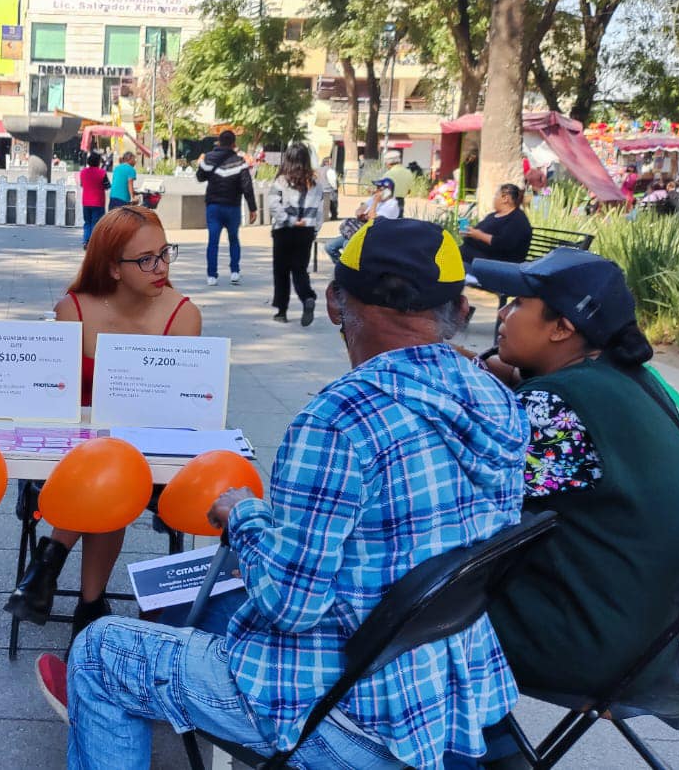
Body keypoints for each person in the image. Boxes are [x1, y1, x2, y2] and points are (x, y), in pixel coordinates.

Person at [52, 218, 525, 769]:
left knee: (101, 650)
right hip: (441, 695)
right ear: (461, 312)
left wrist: (243, 515)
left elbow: (292, 607)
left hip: (346, 715)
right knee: (205, 601)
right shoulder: (494, 397)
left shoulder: (338, 420)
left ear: (332, 302)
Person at [465, 250, 679, 707]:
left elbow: (466, 502)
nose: (501, 313)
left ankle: (481, 749)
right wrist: (506, 370)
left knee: (408, 607)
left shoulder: (556, 406)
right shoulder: (627, 378)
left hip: (585, 640)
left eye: (517, 304)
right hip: (641, 630)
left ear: (562, 328)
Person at [7, 206, 202, 640]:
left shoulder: (182, 315)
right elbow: (53, 395)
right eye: (146, 259)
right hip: (76, 454)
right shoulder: (73, 309)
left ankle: (49, 561)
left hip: (151, 453)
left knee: (117, 469)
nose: (162, 267)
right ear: (112, 267)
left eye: (165, 253)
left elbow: (179, 403)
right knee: (109, 471)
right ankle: (89, 605)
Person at [265, 145, 322, 325]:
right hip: (306, 231)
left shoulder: (281, 181)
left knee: (281, 270)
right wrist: (314, 230)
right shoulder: (315, 184)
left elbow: (273, 204)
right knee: (299, 269)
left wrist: (288, 219)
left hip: (283, 230)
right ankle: (307, 298)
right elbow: (320, 211)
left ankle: (282, 310)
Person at [196, 131, 258, 285]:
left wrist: (203, 164)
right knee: (234, 239)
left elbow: (200, 177)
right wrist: (252, 208)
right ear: (233, 144)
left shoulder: (209, 158)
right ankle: (235, 272)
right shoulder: (239, 162)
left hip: (214, 206)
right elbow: (247, 187)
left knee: (213, 241)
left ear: (218, 142)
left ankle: (211, 275)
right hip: (232, 207)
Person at [324, 177, 399, 264]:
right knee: (329, 246)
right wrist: (362, 213)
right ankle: (343, 268)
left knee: (347, 245)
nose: (377, 191)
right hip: (359, 231)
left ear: (387, 191)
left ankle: (350, 271)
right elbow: (359, 211)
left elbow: (373, 220)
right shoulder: (375, 198)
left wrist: (375, 203)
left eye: (379, 189)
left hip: (373, 235)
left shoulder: (392, 205)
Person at [459, 183, 532, 265]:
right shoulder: (493, 215)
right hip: (473, 255)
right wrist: (469, 232)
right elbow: (478, 231)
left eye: (496, 195)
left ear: (505, 198)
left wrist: (479, 235)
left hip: (496, 262)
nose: (494, 199)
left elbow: (503, 243)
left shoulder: (518, 220)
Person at [78, 151, 109, 246]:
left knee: (87, 222)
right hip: (98, 202)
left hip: (86, 202)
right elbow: (107, 186)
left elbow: (82, 184)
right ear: (98, 162)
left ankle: (86, 241)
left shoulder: (83, 172)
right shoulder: (102, 173)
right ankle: (93, 243)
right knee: (96, 223)